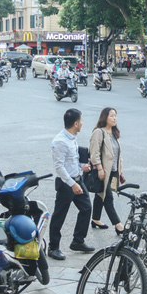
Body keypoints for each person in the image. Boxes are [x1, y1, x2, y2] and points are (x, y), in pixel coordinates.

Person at [48, 108, 94, 261]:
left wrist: (82, 167)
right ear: (75, 123)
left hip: (77, 179)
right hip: (66, 184)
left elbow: (72, 161)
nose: (82, 123)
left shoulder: (73, 137)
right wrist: (72, 184)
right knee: (59, 215)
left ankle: (78, 241)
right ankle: (53, 247)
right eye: (81, 121)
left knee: (86, 208)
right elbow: (59, 167)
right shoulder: (60, 141)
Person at [89, 108, 125, 235]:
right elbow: (94, 153)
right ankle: (118, 225)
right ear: (105, 117)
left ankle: (95, 219)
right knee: (108, 197)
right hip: (103, 171)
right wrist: (99, 168)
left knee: (100, 194)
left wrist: (120, 169)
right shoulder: (99, 132)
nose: (115, 118)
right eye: (112, 116)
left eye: (115, 115)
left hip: (112, 171)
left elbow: (117, 154)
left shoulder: (114, 133)